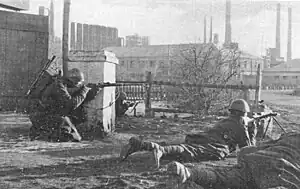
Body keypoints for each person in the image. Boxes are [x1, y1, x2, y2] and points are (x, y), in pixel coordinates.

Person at [120, 99, 258, 168]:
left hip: (202, 137)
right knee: (188, 151)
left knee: (183, 145)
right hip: (216, 147)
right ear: (244, 113)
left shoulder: (226, 120)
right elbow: (248, 150)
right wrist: (252, 132)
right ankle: (160, 150)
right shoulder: (241, 124)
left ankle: (143, 145)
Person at [165, 131, 300, 189]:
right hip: (282, 170)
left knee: (223, 177)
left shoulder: (289, 136)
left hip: (255, 162)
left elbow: (250, 149)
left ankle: (189, 173)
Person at [28, 68, 101, 142]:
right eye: (78, 84)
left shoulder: (61, 84)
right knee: (70, 131)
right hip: (41, 116)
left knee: (75, 133)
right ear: (72, 82)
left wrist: (92, 93)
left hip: (47, 115)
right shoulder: (59, 85)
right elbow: (71, 104)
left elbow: (75, 98)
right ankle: (43, 135)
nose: (78, 86)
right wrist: (84, 90)